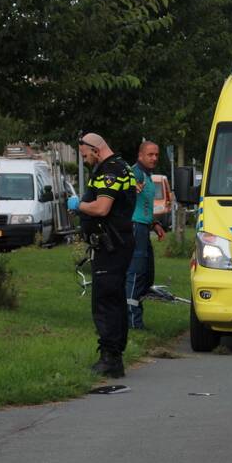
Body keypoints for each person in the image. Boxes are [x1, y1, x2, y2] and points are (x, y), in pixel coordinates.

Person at [68, 132, 137, 378]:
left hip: (112, 244)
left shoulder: (111, 170)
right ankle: (114, 353)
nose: (85, 160)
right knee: (114, 298)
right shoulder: (118, 167)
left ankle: (110, 359)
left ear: (95, 148)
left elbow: (102, 207)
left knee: (105, 300)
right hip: (114, 243)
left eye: (85, 155)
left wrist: (78, 206)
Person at [127, 140, 165, 329]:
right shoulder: (136, 173)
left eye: (156, 155)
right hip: (135, 228)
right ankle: (133, 321)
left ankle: (132, 311)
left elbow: (145, 206)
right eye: (150, 154)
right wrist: (131, 187)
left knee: (147, 274)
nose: (154, 158)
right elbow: (127, 187)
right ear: (140, 155)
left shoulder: (148, 176)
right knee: (136, 273)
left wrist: (155, 223)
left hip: (144, 227)